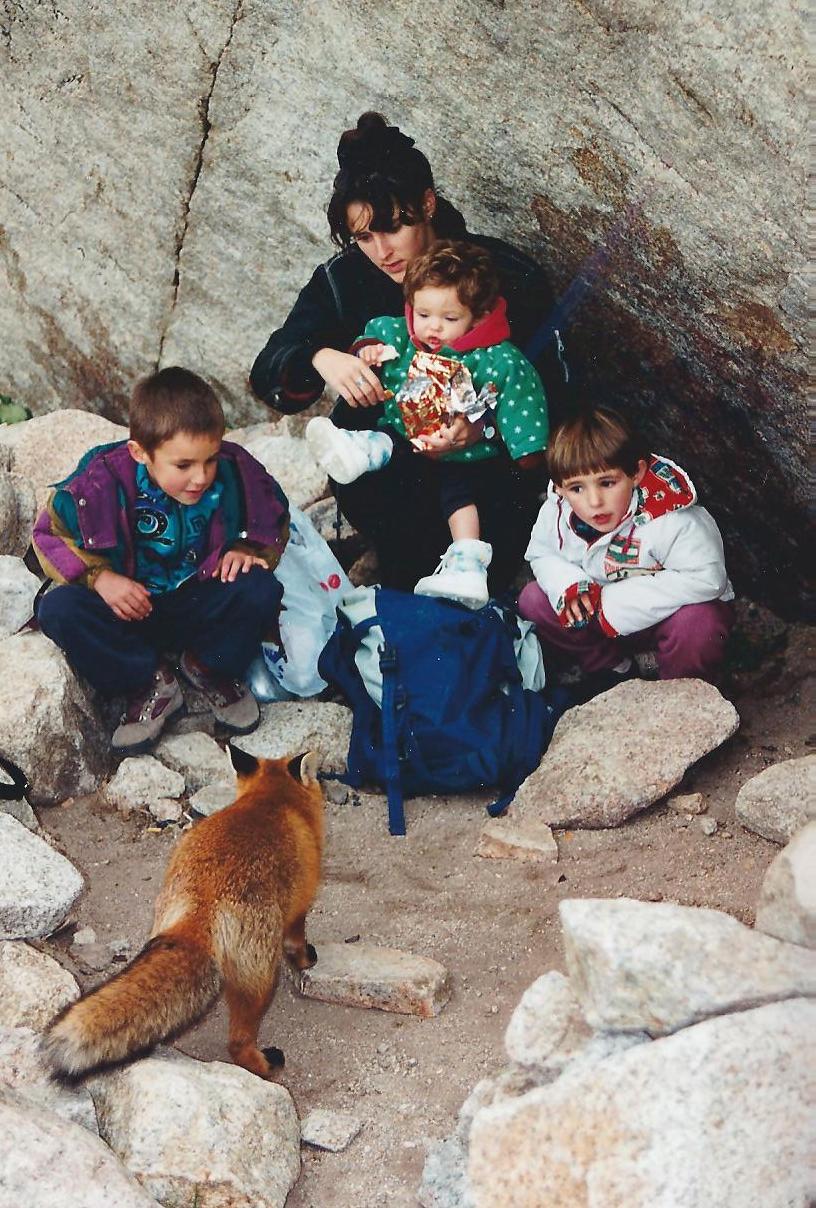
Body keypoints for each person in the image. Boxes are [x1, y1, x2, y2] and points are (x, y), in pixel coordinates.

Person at [250, 111, 567, 594]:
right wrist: (321, 356)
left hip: (487, 477)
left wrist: (483, 428)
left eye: (393, 227)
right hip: (389, 481)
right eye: (364, 236)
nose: (382, 252)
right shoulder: (345, 279)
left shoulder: (503, 274)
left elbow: (556, 396)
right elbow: (268, 371)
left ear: (427, 203)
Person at [33, 367, 289, 754]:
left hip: (198, 599)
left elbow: (273, 516)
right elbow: (49, 534)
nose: (200, 477)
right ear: (140, 453)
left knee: (259, 587)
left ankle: (207, 665)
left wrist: (247, 549)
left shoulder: (235, 469)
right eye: (183, 466)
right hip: (130, 607)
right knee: (60, 608)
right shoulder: (101, 479)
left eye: (210, 460)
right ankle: (150, 680)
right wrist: (100, 578)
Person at [304, 240, 549, 607]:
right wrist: (366, 351)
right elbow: (375, 335)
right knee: (386, 441)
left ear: (479, 316)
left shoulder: (498, 361)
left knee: (458, 494)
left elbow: (525, 426)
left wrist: (494, 434)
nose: (433, 328)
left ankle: (467, 562)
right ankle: (359, 452)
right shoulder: (406, 338)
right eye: (422, 314)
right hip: (405, 437)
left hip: (464, 457)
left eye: (449, 319)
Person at [517, 406, 734, 697]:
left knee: (700, 623)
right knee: (534, 600)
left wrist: (612, 603)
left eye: (607, 483)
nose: (594, 501)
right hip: (607, 625)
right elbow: (542, 553)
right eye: (577, 488)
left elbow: (707, 578)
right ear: (559, 488)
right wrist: (571, 585)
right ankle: (615, 669)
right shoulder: (556, 512)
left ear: (636, 472)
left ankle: (679, 693)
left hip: (667, 623)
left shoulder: (671, 516)